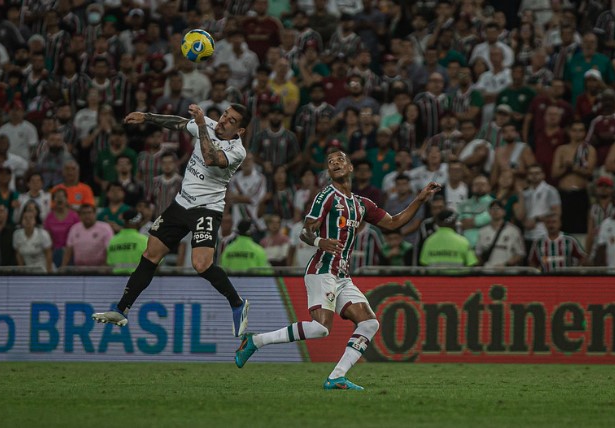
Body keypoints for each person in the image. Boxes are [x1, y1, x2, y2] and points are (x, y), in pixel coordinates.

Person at [234, 150, 440, 390]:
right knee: (321, 328)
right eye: (330, 162)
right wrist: (320, 242)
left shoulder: (362, 204)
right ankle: (255, 341)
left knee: (369, 323)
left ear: (350, 167)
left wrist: (420, 199)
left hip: (342, 276)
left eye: (340, 159)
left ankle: (336, 377)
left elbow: (394, 222)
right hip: (321, 269)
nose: (335, 163)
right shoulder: (326, 197)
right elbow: (305, 231)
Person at [92, 103, 252, 338]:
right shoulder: (206, 123)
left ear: (240, 131)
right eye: (224, 115)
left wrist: (200, 125)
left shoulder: (237, 151)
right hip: (180, 204)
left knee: (201, 264)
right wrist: (146, 115)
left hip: (206, 209)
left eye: (231, 121)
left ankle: (237, 303)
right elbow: (177, 122)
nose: (223, 121)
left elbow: (209, 158)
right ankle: (121, 308)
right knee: (150, 254)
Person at [475, 200, 525, 268]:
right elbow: (478, 253)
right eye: (493, 209)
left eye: (498, 208)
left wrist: (506, 265)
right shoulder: (482, 231)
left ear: (504, 212)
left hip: (507, 272)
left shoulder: (513, 231)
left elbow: (520, 253)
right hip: (487, 271)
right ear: (489, 212)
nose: (495, 211)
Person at [106, 209, 149, 274]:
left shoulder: (112, 241)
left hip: (114, 280)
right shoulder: (145, 241)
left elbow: (109, 264)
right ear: (138, 221)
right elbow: (156, 262)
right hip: (136, 280)